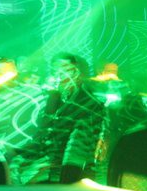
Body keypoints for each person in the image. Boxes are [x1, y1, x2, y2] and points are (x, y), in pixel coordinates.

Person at [11, 53, 105, 184]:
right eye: (56, 68)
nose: (60, 72)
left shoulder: (88, 100)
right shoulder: (52, 97)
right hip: (50, 164)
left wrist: (68, 173)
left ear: (76, 69)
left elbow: (81, 142)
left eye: (65, 67)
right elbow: (44, 130)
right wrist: (21, 157)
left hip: (73, 168)